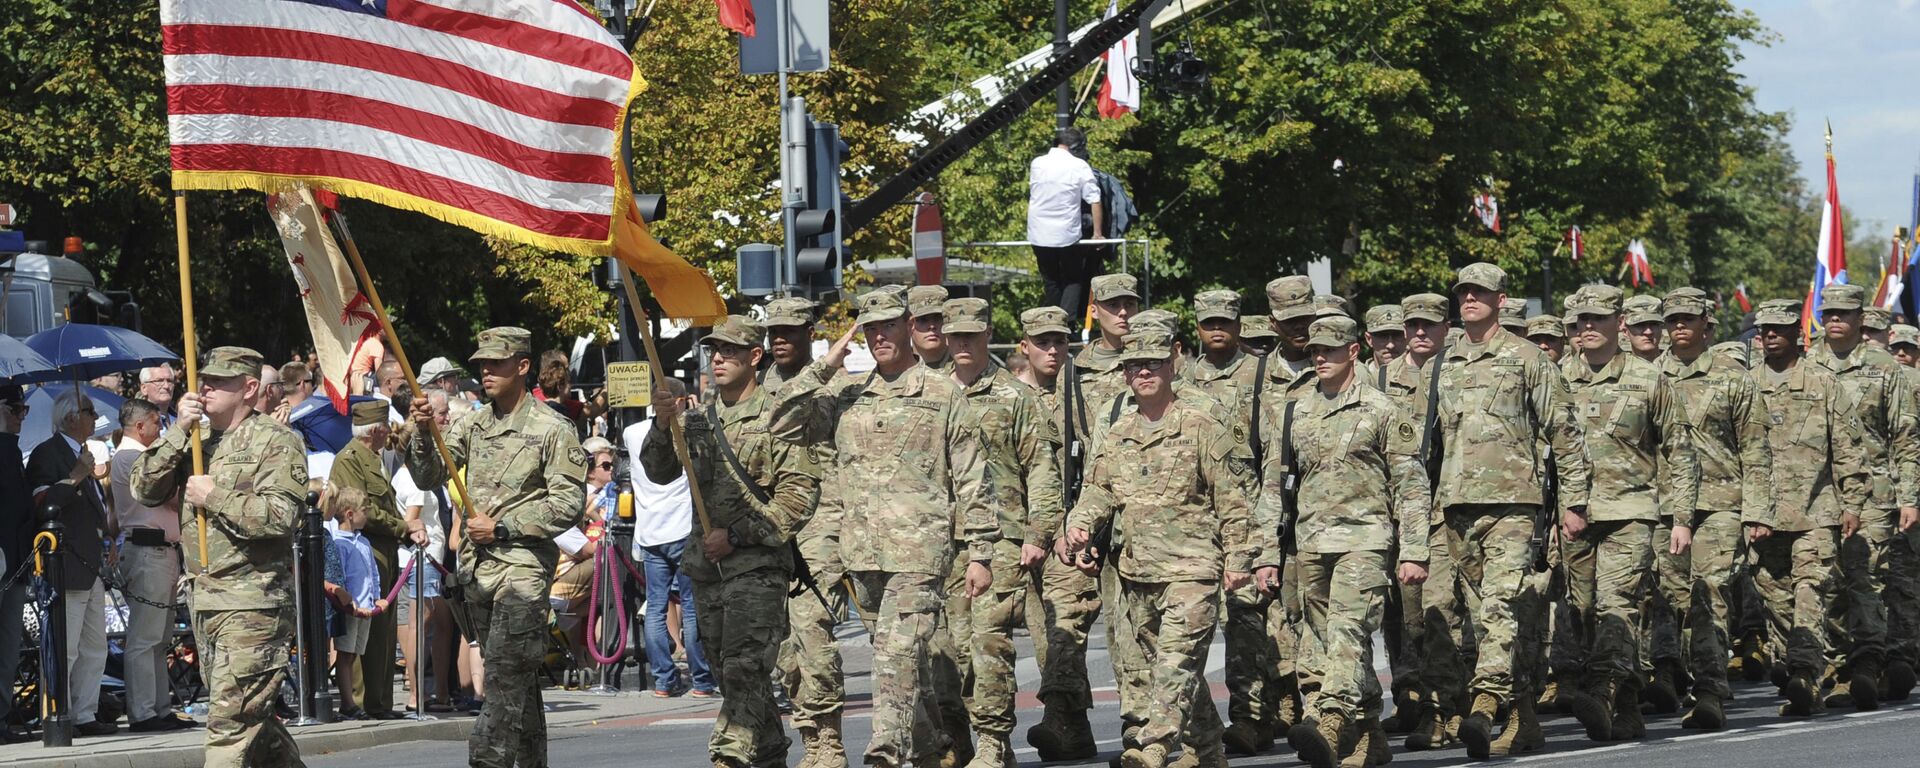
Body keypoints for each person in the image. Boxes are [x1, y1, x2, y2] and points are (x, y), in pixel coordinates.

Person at [1064, 328, 1267, 768]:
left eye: (1153, 363)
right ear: (1124, 375)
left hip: (1193, 569)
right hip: (1138, 573)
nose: (1143, 372)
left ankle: (1154, 745)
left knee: (1175, 663)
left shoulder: (1202, 425)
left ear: (1171, 367)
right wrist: (1079, 525)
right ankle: (1208, 748)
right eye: (1134, 365)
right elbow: (1099, 490)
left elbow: (1233, 500)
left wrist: (1239, 561)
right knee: (1173, 668)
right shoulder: (1118, 432)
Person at [813, 289, 992, 768]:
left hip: (919, 552)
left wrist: (980, 551)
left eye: (888, 325)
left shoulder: (942, 394)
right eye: (869, 328)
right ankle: (935, 746)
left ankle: (885, 753)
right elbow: (782, 419)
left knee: (894, 655)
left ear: (909, 326)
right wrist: (827, 363)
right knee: (908, 666)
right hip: (862, 554)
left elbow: (972, 475)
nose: (878, 336)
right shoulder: (848, 394)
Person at [404, 327, 587, 768]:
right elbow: (428, 476)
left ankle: (486, 759)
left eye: (496, 363)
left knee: (503, 676)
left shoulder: (552, 427)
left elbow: (568, 502)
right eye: (481, 364)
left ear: (522, 367)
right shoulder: (475, 423)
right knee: (518, 682)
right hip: (476, 573)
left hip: (521, 571)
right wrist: (423, 432)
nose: (485, 371)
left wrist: (504, 528)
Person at [644, 315, 821, 768]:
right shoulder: (698, 419)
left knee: (746, 669)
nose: (718, 359)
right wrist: (663, 427)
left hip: (757, 569)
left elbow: (799, 497)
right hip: (707, 570)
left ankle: (728, 758)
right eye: (713, 352)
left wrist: (740, 535)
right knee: (732, 676)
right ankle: (769, 757)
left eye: (730, 352)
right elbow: (658, 470)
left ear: (755, 358)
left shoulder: (779, 416)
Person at [1430, 263, 1590, 759]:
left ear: (1502, 300)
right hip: (1456, 505)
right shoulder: (1443, 362)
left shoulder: (1527, 359)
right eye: (1464, 292)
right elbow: (1424, 444)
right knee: (1492, 618)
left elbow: (1563, 432)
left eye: (1481, 292)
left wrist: (1575, 502)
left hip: (1515, 504)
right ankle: (1524, 720)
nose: (1470, 299)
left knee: (1500, 603)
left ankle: (1484, 703)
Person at [1263, 315, 1431, 768]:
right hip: (1312, 543)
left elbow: (1411, 485)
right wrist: (1265, 553)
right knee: (1331, 641)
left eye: (1331, 350)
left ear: (1354, 351)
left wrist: (1415, 549)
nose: (1320, 357)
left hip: (1366, 540)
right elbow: (1275, 486)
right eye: (1315, 350)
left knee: (1347, 631)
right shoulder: (1296, 410)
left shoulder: (1382, 409)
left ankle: (1333, 720)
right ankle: (1371, 734)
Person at [132, 346, 308, 767]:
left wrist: (215, 497)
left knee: (228, 725)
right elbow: (143, 488)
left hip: (254, 604)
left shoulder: (276, 441)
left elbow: (282, 517)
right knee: (255, 723)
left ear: (249, 389)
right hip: (206, 601)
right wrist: (179, 432)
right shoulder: (196, 440)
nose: (204, 388)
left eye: (218, 382)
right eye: (202, 380)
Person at [1558, 284, 1699, 743]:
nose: (1588, 328)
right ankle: (1628, 705)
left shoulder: (1649, 379)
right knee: (1581, 613)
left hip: (1632, 511)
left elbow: (1680, 450)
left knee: (1614, 603)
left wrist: (1681, 518)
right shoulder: (1557, 378)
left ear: (1619, 323)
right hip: (1572, 517)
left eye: (1597, 319)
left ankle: (1601, 688)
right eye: (1581, 321)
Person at [935, 299, 1062, 767]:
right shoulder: (931, 393)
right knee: (946, 646)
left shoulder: (1015, 397)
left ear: (989, 335)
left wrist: (1039, 533)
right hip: (944, 541)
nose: (963, 343)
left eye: (971, 334)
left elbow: (1042, 470)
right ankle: (956, 738)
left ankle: (992, 740)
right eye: (955, 335)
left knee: (988, 642)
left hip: (1004, 539)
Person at [1658, 287, 1773, 729]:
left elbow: (1756, 448)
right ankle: (1676, 676)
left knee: (1709, 594)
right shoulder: (1651, 376)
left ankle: (1709, 692)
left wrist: (1757, 510)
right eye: (1673, 319)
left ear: (1708, 324)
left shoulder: (1733, 378)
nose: (1680, 326)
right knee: (1673, 600)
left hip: (1721, 504)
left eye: (1689, 318)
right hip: (1665, 505)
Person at [1748, 298, 1867, 716]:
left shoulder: (1824, 383)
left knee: (1808, 591)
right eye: (1764, 330)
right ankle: (1793, 662)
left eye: (1779, 328)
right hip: (1763, 518)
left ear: (1797, 333)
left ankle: (1805, 676)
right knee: (1776, 601)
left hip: (1817, 512)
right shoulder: (1744, 386)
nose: (1770, 335)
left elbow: (1849, 449)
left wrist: (1852, 503)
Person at [1808, 283, 1920, 710]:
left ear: (1860, 318)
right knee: (1828, 582)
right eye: (1828, 312)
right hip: (1821, 492)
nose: (1834, 319)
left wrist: (1909, 497)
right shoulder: (1807, 364)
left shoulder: (1884, 368)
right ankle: (1838, 666)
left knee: (1866, 578)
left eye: (1843, 313)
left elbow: (1905, 438)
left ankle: (1867, 664)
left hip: (1875, 492)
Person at [1179, 289, 1274, 755]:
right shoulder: (1181, 377)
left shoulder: (1261, 372)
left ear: (1238, 324)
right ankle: (1198, 726)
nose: (1217, 329)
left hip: (1248, 511)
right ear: (1196, 325)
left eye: (1226, 322)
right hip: (1197, 518)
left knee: (1247, 621)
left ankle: (1252, 718)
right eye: (1208, 322)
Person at [1378, 293, 1468, 749]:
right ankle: (1409, 693)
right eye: (1412, 324)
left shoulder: (1460, 372)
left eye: (1428, 325)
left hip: (1447, 509)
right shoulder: (1379, 378)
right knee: (1399, 616)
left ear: (1445, 327)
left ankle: (1444, 708)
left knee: (1440, 613)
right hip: (1393, 512)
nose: (1418, 334)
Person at [622, 377, 718, 699]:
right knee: (691, 607)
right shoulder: (684, 431)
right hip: (682, 528)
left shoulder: (632, 433)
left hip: (650, 531)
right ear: (678, 402)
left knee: (656, 607)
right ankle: (702, 679)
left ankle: (664, 679)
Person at [27, 388, 115, 737]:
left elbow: (92, 509)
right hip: (64, 564)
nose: (95, 418)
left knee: (95, 646)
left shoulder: (82, 453)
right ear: (70, 418)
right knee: (66, 646)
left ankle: (85, 712)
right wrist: (77, 475)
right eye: (89, 411)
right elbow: (43, 505)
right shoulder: (48, 455)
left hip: (89, 564)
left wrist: (107, 538)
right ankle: (58, 712)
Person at [330, 398, 418, 719]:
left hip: (384, 549)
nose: (389, 433)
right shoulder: (350, 460)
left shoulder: (373, 457)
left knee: (383, 628)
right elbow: (362, 509)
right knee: (364, 628)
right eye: (385, 428)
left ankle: (380, 703)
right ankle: (360, 702)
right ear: (376, 430)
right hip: (363, 550)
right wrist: (404, 527)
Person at [111, 398, 195, 732]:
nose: (159, 428)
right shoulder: (130, 457)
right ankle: (143, 711)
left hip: (161, 551)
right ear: (140, 425)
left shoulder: (136, 456)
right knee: (146, 637)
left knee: (159, 638)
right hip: (148, 550)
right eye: (156, 423)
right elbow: (168, 496)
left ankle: (159, 707)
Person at [393, 391, 457, 712]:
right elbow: (412, 521)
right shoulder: (415, 479)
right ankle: (416, 694)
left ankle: (440, 692)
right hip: (423, 561)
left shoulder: (419, 477)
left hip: (433, 561)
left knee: (441, 626)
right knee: (422, 625)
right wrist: (416, 536)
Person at [1028, 127, 1106, 318]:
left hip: (1039, 233)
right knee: (1073, 279)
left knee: (1051, 280)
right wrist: (1097, 234)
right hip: (1066, 233)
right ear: (1076, 147)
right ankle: (1067, 323)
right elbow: (1094, 199)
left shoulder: (1037, 163)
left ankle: (1053, 322)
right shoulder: (1079, 166)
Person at [329, 486, 383, 719]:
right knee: (345, 654)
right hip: (351, 609)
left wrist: (377, 597)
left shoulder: (364, 542)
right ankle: (348, 702)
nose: (367, 513)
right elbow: (340, 577)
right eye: (364, 509)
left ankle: (349, 700)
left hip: (366, 606)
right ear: (350, 514)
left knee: (354, 654)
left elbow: (372, 573)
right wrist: (348, 604)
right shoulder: (339, 544)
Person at [0, 386, 31, 742]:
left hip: (16, 561)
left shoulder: (11, 450)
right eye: (14, 409)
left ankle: (2, 716)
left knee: (8, 646)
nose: (21, 416)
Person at [907, 285, 952, 371]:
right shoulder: (896, 367)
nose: (931, 326)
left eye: (938, 318)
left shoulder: (962, 367)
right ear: (909, 325)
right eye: (923, 319)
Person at [1623, 296, 1665, 362]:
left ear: (1661, 328)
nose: (1648, 332)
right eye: (1639, 325)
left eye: (1654, 324)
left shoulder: (1677, 366)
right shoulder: (1616, 368)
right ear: (1625, 331)